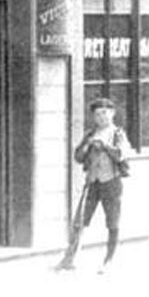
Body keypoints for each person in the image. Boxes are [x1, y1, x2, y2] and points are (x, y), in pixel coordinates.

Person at [56, 96, 135, 273]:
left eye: (104, 113)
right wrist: (87, 146)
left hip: (111, 182)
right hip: (92, 182)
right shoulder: (90, 134)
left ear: (112, 114)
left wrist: (105, 146)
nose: (101, 117)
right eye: (97, 114)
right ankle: (70, 258)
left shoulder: (117, 133)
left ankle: (109, 260)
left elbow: (122, 155)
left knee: (112, 222)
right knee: (80, 221)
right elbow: (78, 157)